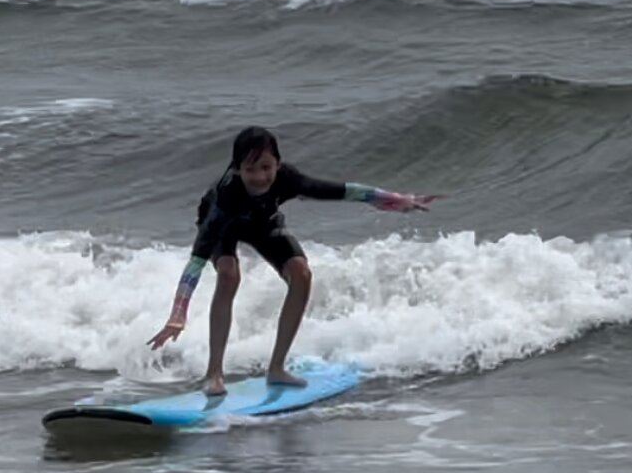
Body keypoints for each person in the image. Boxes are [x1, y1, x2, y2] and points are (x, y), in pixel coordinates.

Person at [148, 125, 437, 395]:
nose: (261, 177)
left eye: (266, 167)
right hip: (225, 228)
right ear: (237, 169)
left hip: (263, 222)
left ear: (278, 164)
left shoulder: (287, 178)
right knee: (228, 274)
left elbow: (341, 190)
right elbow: (195, 264)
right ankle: (213, 374)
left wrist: (394, 199)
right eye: (251, 170)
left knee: (301, 274)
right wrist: (178, 315)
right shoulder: (225, 200)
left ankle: (276, 368)